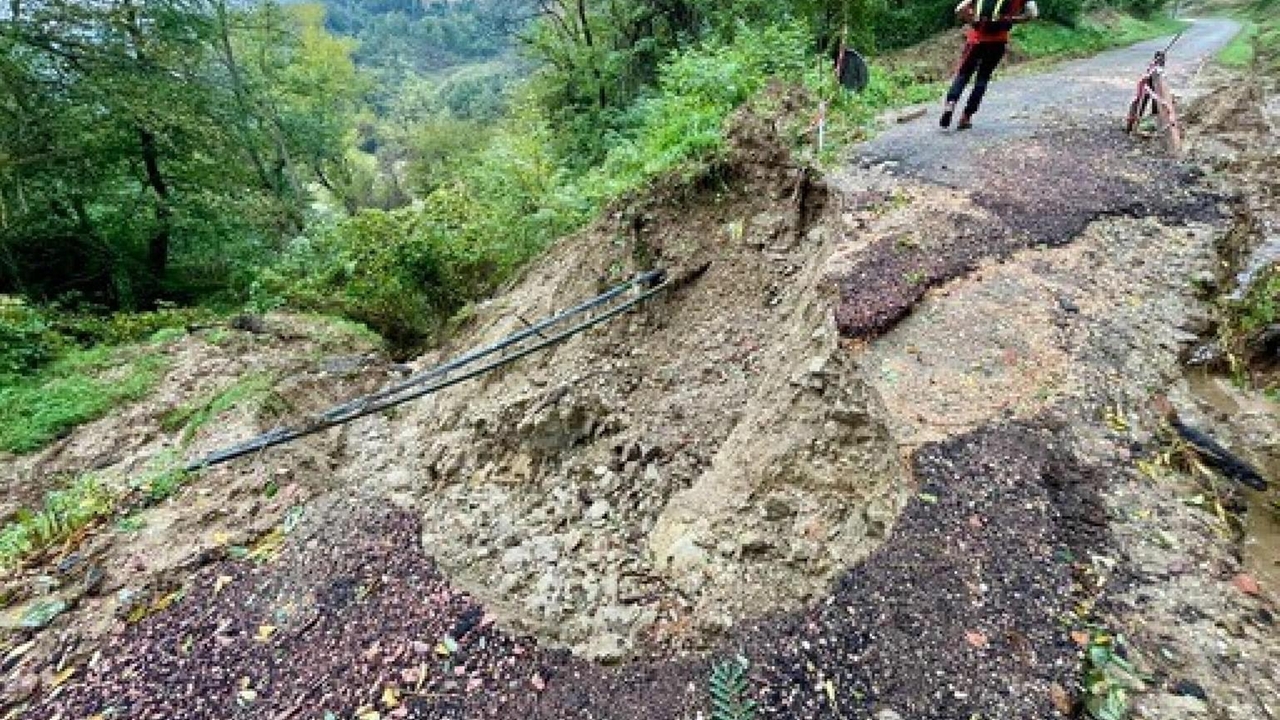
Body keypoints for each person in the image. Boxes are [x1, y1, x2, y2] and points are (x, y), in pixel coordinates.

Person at [940, 0, 1039, 130]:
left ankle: (950, 104)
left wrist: (973, 21)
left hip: (975, 40)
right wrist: (1013, 20)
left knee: (963, 75)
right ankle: (966, 117)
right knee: (983, 78)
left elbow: (960, 9)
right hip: (998, 42)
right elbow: (1032, 14)